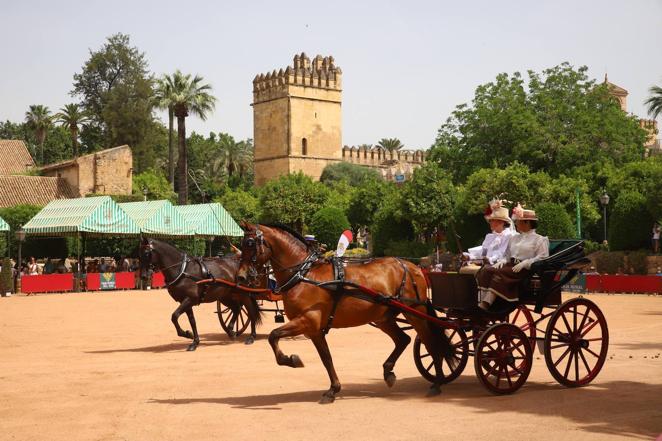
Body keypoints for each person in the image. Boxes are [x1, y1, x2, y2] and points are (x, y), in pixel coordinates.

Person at [476, 203, 549, 310]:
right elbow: (508, 255)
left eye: (518, 222)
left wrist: (526, 263)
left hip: (523, 270)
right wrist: (503, 261)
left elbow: (543, 257)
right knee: (486, 269)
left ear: (527, 222)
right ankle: (479, 300)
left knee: (499, 273)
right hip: (510, 265)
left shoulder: (540, 240)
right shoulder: (515, 238)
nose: (516, 224)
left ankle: (486, 303)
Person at [461, 199, 514, 274]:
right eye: (490, 221)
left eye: (492, 220)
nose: (490, 223)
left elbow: (502, 254)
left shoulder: (509, 236)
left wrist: (490, 259)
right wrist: (469, 256)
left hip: (500, 267)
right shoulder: (490, 237)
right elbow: (483, 252)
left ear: (501, 222)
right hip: (487, 267)